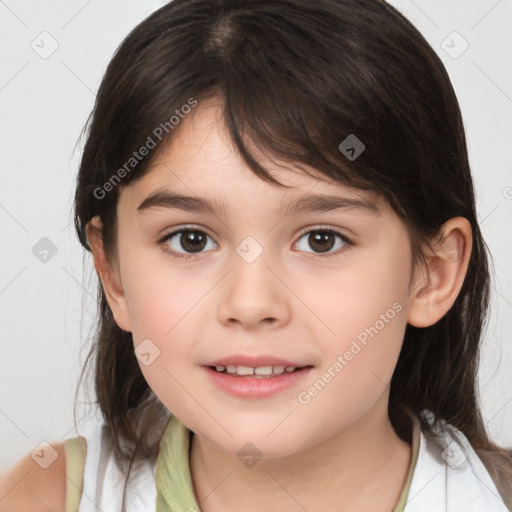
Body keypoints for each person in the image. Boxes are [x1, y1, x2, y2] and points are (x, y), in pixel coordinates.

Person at [1, 0, 511, 511]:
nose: (250, 304)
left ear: (433, 274)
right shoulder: (41, 498)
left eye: (321, 239)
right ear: (113, 275)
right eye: (191, 239)